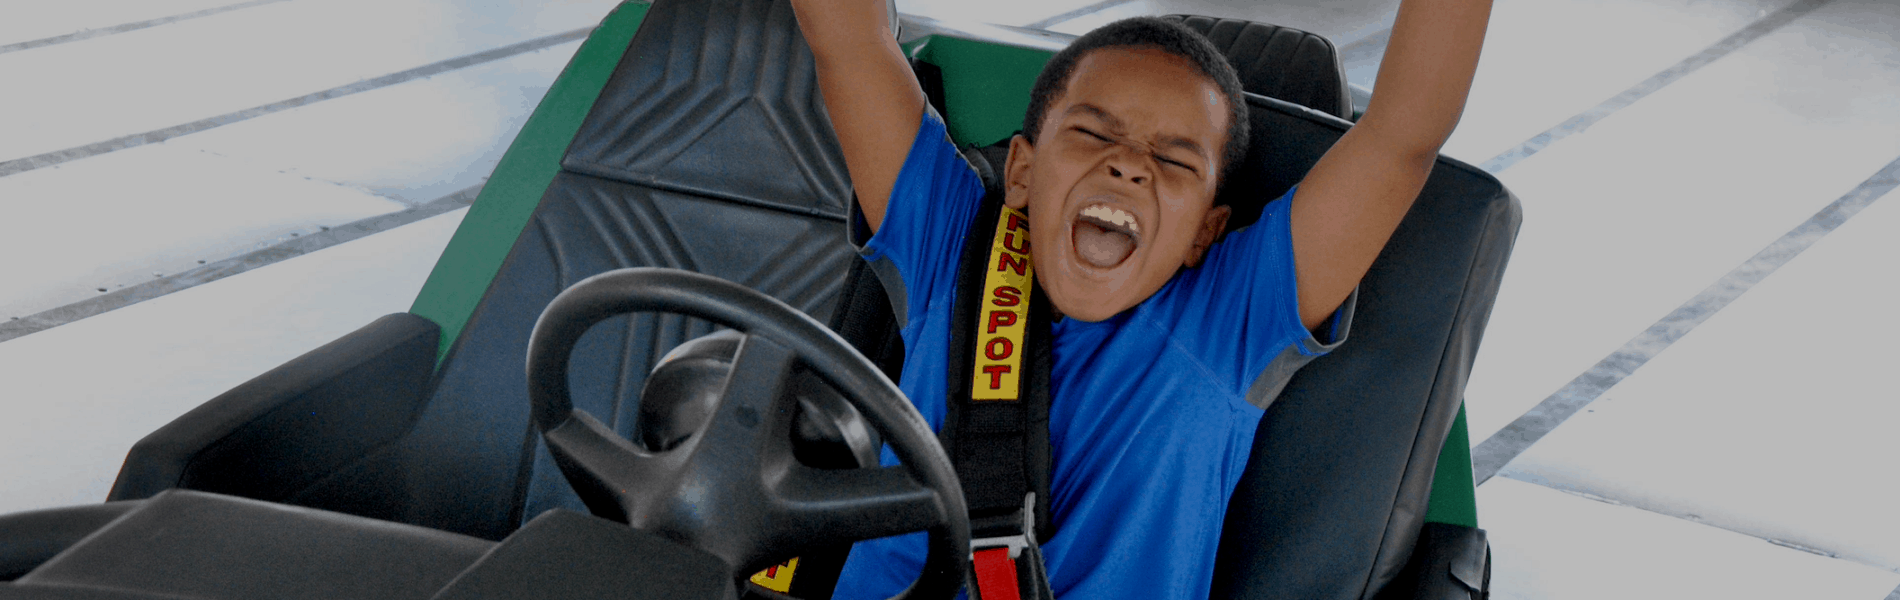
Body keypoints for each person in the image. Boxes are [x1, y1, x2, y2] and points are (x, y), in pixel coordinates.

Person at [789, 0, 1492, 597]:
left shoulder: (1227, 319)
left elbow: (1404, 133)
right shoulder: (951, 246)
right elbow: (848, 38)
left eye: (1175, 160)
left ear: (1206, 231)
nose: (1127, 163)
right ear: (1023, 171)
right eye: (1093, 133)